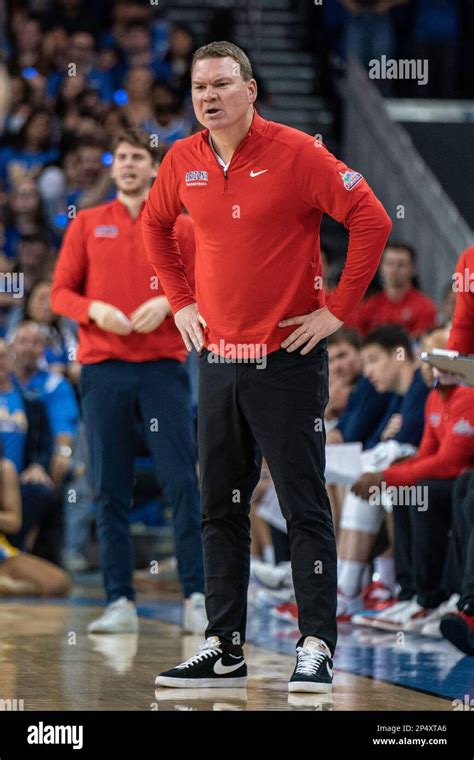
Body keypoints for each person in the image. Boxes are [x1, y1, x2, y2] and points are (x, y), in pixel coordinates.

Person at [142, 41, 392, 692]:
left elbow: (370, 219)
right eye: (200, 88)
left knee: (305, 505)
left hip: (288, 359)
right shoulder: (182, 159)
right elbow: (154, 225)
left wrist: (338, 310)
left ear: (250, 90)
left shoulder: (298, 153)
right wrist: (181, 302)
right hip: (218, 360)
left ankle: (316, 645)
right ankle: (225, 645)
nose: (209, 97)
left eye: (222, 84)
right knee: (219, 506)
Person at [51, 127, 205, 635]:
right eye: (121, 157)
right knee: (108, 486)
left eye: (138, 156)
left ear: (155, 168)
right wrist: (94, 309)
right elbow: (59, 295)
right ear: (112, 166)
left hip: (163, 365)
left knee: (181, 480)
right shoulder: (89, 223)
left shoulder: (181, 228)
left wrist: (170, 300)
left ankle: (197, 595)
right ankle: (120, 600)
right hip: (104, 367)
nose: (129, 164)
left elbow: (208, 288)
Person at [345, 242, 437, 339]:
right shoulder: (368, 306)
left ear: (413, 269)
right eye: (390, 264)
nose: (394, 270)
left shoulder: (425, 307)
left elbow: (423, 342)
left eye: (401, 265)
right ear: (381, 268)